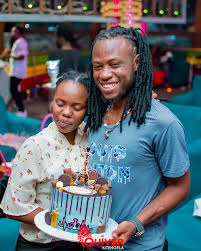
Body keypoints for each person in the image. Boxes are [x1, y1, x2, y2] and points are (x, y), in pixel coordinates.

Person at [85, 26, 190, 250]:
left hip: (140, 246)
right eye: (97, 67)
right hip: (89, 243)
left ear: (136, 63)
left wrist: (136, 223)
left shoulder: (162, 123)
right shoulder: (92, 115)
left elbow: (180, 187)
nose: (104, 74)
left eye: (114, 64)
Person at [0, 70, 89, 250]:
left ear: (88, 109)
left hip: (79, 243)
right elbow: (14, 206)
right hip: (40, 246)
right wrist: (60, 221)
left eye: (77, 107)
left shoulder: (91, 139)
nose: (66, 113)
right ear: (51, 102)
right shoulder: (34, 146)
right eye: (60, 103)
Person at [0, 25, 28, 116]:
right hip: (15, 70)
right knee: (14, 89)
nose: (11, 33)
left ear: (18, 32)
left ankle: (22, 110)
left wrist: (9, 56)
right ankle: (18, 105)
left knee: (13, 89)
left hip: (18, 71)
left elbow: (22, 56)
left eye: (13, 31)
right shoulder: (17, 42)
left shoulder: (22, 42)